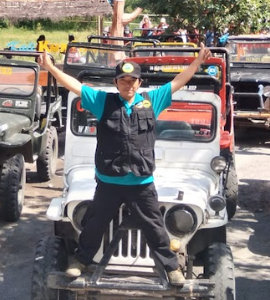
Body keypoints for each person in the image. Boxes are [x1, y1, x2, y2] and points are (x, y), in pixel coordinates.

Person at [39, 47, 215, 286]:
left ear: (139, 83)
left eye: (132, 80)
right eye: (123, 80)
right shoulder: (103, 101)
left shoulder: (152, 101)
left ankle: (171, 267)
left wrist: (197, 62)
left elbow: (178, 81)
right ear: (116, 83)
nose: (128, 84)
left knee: (155, 227)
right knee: (94, 224)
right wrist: (50, 67)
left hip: (141, 183)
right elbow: (75, 86)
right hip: (109, 181)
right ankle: (80, 261)